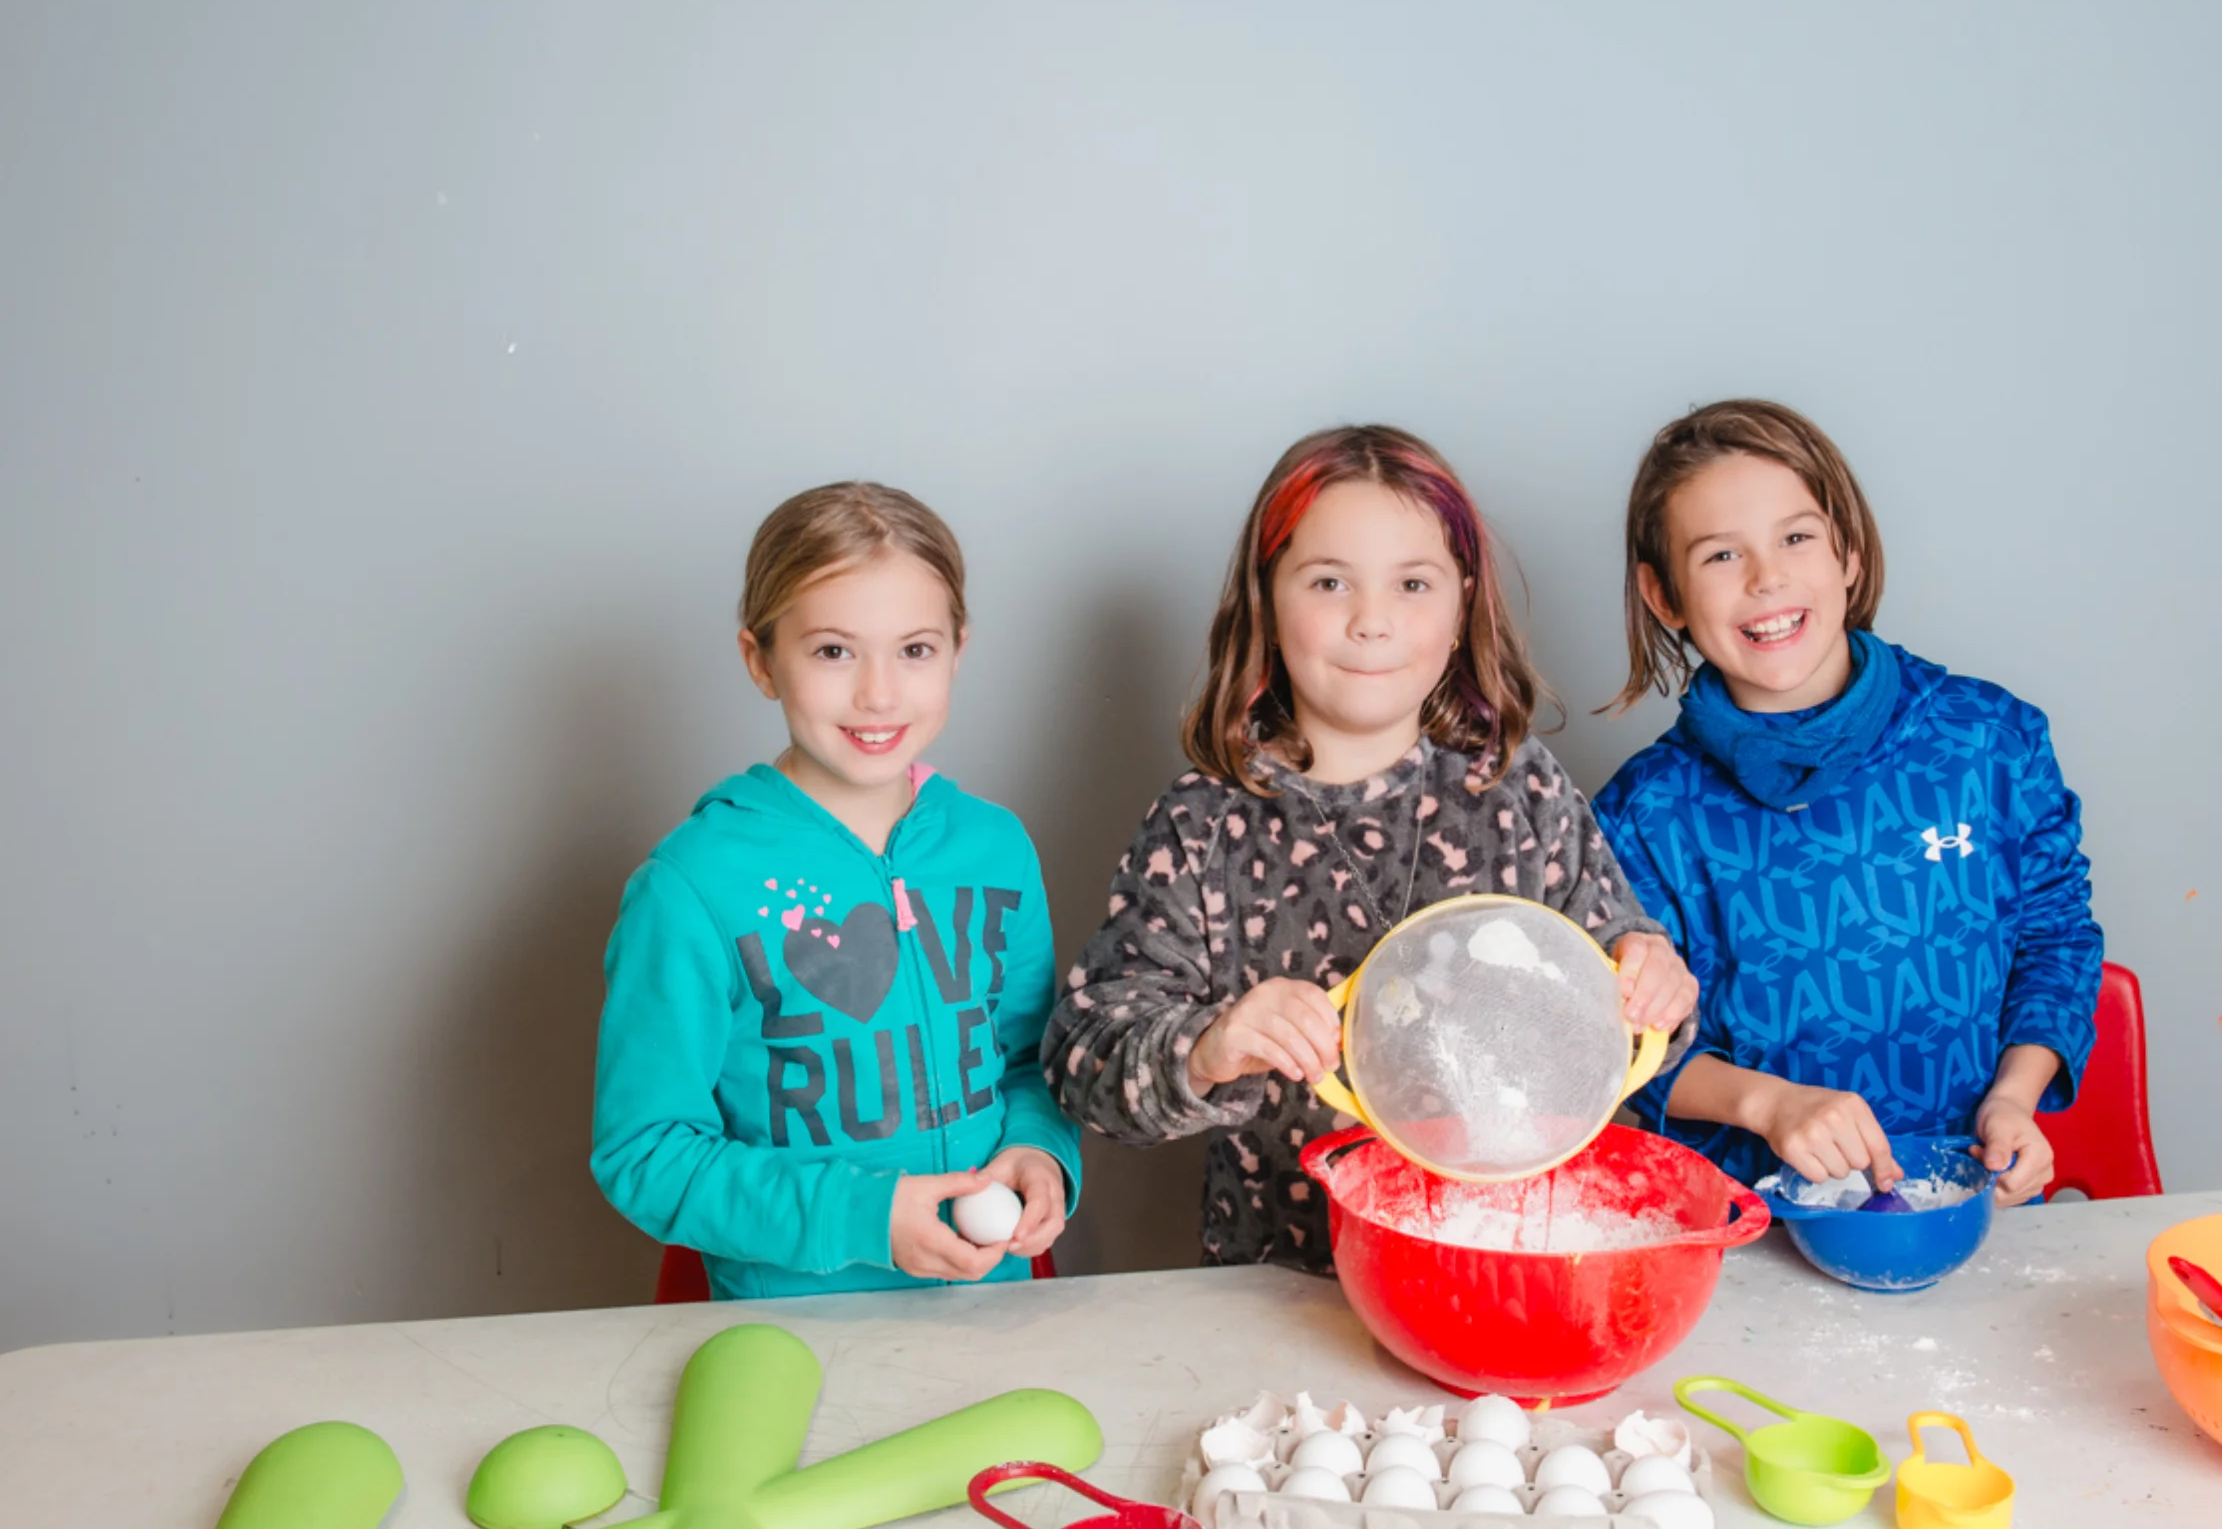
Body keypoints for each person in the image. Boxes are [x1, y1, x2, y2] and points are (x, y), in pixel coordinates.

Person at [1045, 424, 1696, 1271]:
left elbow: (1625, 995)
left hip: (1500, 1267)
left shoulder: (1520, 788)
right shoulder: (1203, 823)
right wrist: (1208, 1046)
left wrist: (1653, 982)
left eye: (1413, 584)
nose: (1372, 622)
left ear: (1462, 605)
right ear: (1266, 600)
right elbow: (1083, 1062)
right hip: (1282, 1288)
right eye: (1328, 582)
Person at [1592, 401, 2102, 1206]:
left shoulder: (1989, 741)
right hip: (1749, 1233)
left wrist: (2014, 1098)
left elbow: (2056, 939)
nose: (1768, 578)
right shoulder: (1643, 814)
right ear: (1665, 598)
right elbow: (1620, 1043)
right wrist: (1768, 1104)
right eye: (1722, 555)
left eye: (1797, 538)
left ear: (1849, 554)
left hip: (1975, 1208)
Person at [592, 482, 1079, 1295]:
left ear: (959, 647)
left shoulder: (996, 848)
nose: (878, 694)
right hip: (789, 1332)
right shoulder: (690, 886)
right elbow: (645, 1149)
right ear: (760, 660)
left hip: (992, 1312)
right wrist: (866, 1218)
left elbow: (1031, 1063)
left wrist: (1040, 1152)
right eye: (833, 651)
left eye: (915, 650)